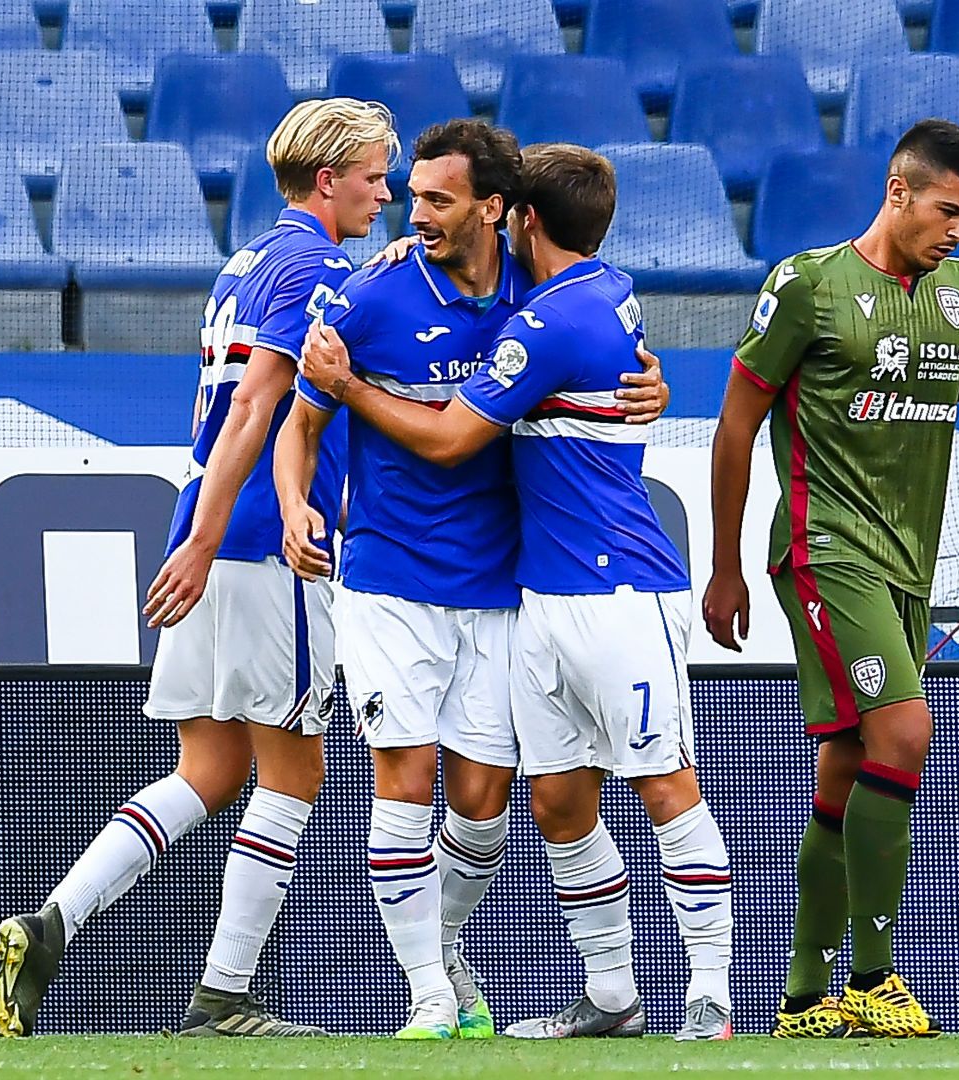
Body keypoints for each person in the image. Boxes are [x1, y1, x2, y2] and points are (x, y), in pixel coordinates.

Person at [297, 144, 729, 1041]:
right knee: (556, 801)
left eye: (437, 199)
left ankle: (712, 1000)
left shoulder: (545, 316)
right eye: (410, 196)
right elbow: (305, 412)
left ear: (510, 214)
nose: (414, 213)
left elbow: (457, 438)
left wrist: (349, 387)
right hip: (501, 589)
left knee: (652, 783)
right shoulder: (574, 292)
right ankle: (593, 998)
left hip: (610, 588)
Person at [0, 99, 398, 1039]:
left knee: (209, 767)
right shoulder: (314, 268)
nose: (385, 192)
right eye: (374, 175)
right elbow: (257, 408)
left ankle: (54, 920)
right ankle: (224, 996)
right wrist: (216, 538)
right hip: (263, 541)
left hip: (206, 533)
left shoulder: (246, 261)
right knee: (294, 773)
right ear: (328, 178)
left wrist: (196, 537)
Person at [701, 119, 959, 1039]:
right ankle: (873, 975)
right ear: (898, 191)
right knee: (906, 732)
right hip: (824, 550)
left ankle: (799, 999)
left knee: (847, 762)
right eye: (949, 211)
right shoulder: (808, 286)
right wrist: (723, 565)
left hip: (910, 562)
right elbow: (737, 426)